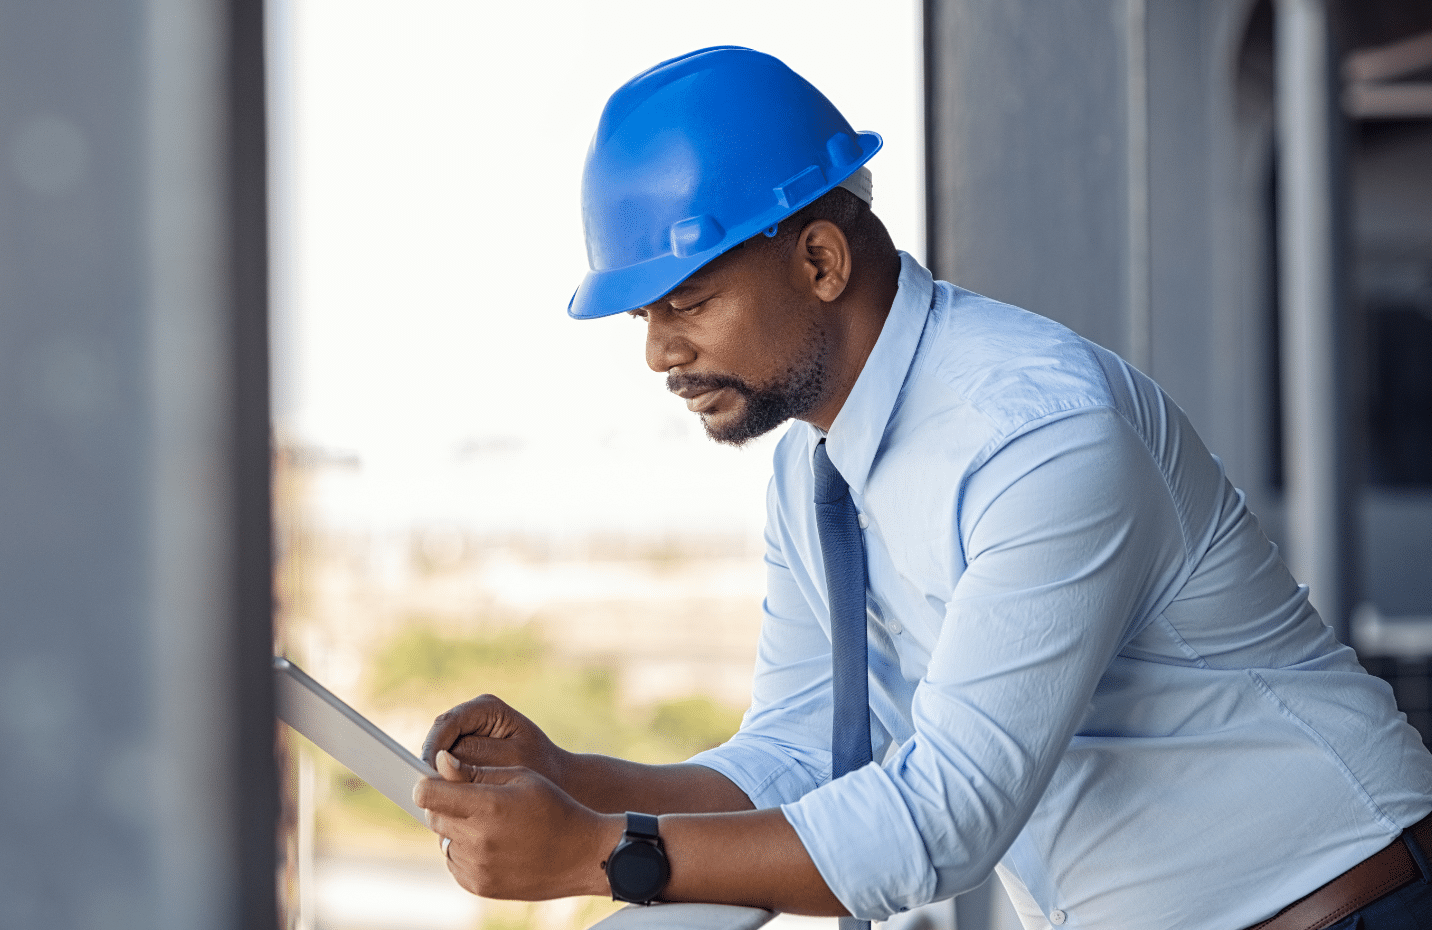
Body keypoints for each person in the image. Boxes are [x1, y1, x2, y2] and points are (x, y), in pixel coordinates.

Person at [414, 46, 1432, 930]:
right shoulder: (811, 471)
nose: (659, 354)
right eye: (641, 320)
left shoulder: (1035, 431)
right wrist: (574, 784)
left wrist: (602, 855)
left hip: (1351, 907)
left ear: (818, 260)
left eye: (684, 301)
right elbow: (804, 754)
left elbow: (941, 818)